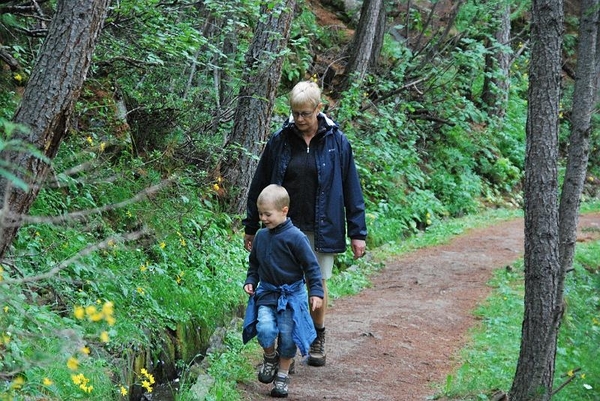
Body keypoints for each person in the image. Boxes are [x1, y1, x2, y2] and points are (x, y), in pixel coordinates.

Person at [243, 80, 367, 367]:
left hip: (322, 227)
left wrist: (358, 233)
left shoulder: (337, 141)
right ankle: (286, 347)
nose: (299, 119)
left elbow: (352, 188)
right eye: (295, 113)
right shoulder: (280, 140)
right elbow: (259, 185)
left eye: (305, 114)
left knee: (316, 283)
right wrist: (252, 225)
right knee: (281, 283)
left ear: (318, 109)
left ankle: (316, 336)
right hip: (283, 228)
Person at [242, 184, 324, 398]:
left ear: (284, 210)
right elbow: (254, 264)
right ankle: (270, 357)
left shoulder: (296, 238)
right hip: (267, 294)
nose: (263, 218)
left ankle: (283, 374)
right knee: (265, 329)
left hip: (291, 297)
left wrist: (316, 292)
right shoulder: (260, 236)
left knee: (288, 338)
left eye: (267, 214)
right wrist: (251, 280)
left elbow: (312, 267)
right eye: (260, 214)